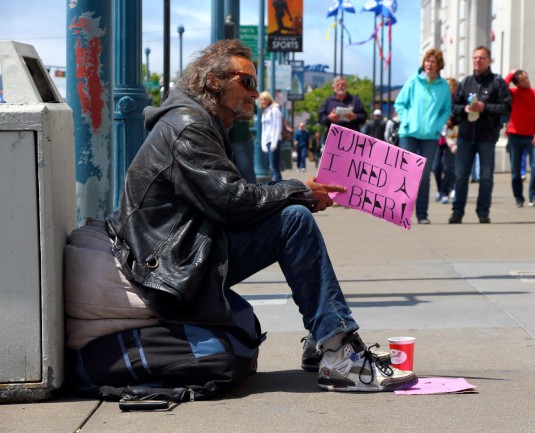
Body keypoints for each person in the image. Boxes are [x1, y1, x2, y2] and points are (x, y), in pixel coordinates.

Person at [106, 39, 416, 392]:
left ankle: (325, 339)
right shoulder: (188, 127)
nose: (255, 94)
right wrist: (298, 190)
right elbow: (232, 202)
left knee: (294, 214)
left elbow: (232, 198)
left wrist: (301, 193)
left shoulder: (196, 121)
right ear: (213, 81)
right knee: (293, 222)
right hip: (171, 268)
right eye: (248, 83)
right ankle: (338, 354)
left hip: (182, 251)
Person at [449, 46, 511, 224]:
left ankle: (483, 212)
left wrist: (486, 107)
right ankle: (457, 212)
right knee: (460, 176)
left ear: (489, 60)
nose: (477, 61)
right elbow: (454, 107)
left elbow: (506, 107)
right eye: (475, 58)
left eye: (481, 58)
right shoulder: (465, 82)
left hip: (487, 137)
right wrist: (465, 108)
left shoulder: (497, 82)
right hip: (466, 136)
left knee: (486, 176)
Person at [394, 48, 452, 225]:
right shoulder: (413, 81)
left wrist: (436, 125)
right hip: (408, 133)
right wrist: (407, 120)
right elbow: (400, 103)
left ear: (439, 65)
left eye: (433, 61)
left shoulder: (443, 87)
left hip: (430, 136)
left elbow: (446, 110)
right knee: (407, 174)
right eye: (427, 61)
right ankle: (401, 212)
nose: (429, 64)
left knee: (424, 176)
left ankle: (422, 214)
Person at [504, 69, 535, 207]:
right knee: (515, 171)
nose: (527, 81)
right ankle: (519, 198)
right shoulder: (513, 93)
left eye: (527, 78)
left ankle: (534, 196)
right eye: (523, 80)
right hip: (514, 135)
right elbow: (501, 88)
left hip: (531, 136)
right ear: (517, 83)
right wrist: (511, 74)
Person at [432, 77, 459, 205]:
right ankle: (440, 188)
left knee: (449, 167)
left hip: (451, 135)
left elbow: (460, 115)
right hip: (437, 136)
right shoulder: (437, 99)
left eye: (449, 86)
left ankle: (444, 192)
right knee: (436, 166)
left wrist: (452, 121)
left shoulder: (457, 100)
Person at [259, 90, 283, 181]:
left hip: (274, 142)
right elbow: (264, 129)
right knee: (271, 167)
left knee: (274, 167)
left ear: (269, 100)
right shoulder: (264, 112)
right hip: (267, 142)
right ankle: (278, 186)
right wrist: (263, 143)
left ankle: (279, 188)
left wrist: (274, 142)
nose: (263, 101)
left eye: (265, 99)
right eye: (261, 100)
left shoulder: (274, 110)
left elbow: (277, 127)